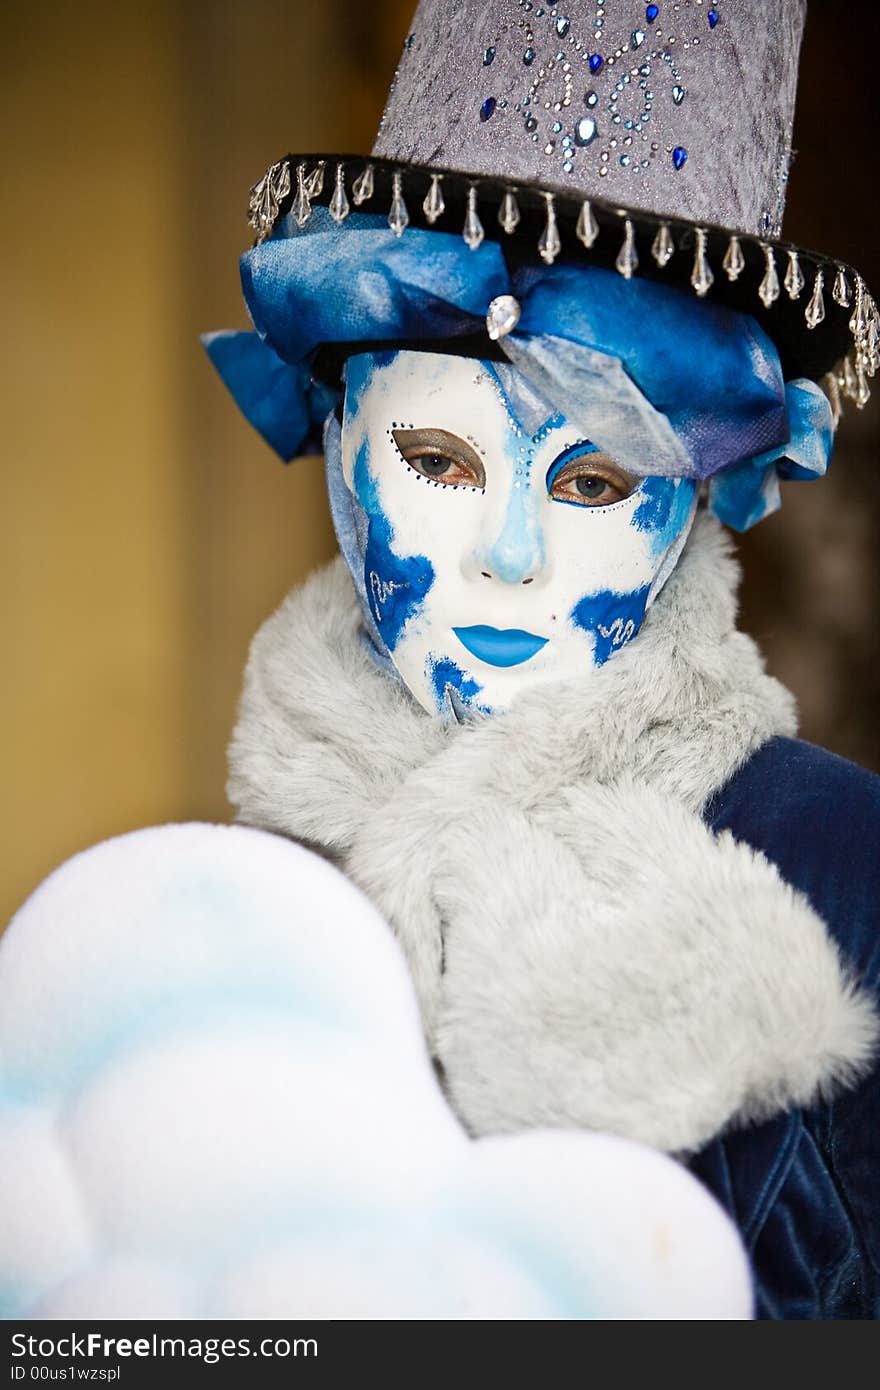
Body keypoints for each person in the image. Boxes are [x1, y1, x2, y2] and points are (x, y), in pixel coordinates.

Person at [205, 0, 880, 1317]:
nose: (509, 558)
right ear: (342, 443)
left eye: (591, 477)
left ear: (692, 499)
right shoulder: (241, 895)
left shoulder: (853, 880)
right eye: (440, 461)